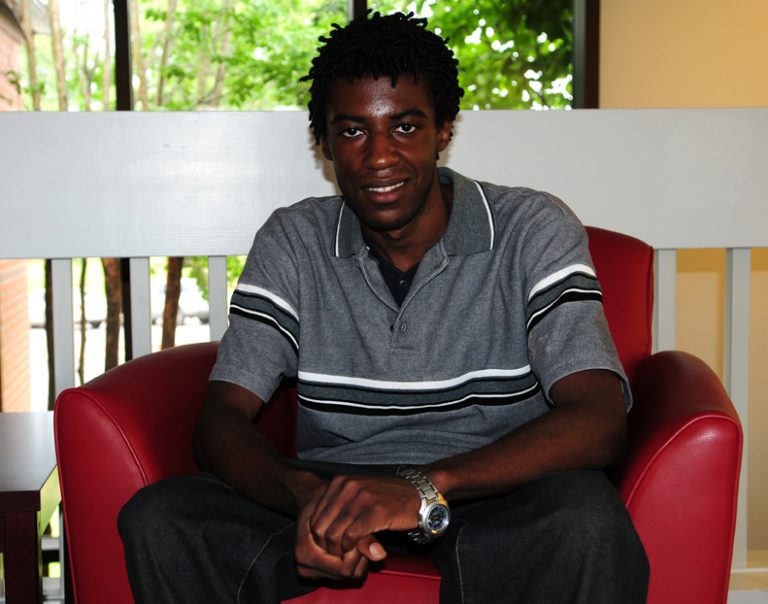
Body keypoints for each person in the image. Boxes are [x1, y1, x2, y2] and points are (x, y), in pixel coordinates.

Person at [119, 11, 649, 604]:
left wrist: (424, 489)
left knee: (582, 518)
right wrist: (309, 502)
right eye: (351, 131)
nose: (377, 157)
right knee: (162, 517)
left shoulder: (533, 228)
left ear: (444, 129)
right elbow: (220, 420)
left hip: (493, 489)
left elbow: (599, 419)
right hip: (336, 488)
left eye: (404, 127)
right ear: (323, 143)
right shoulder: (294, 241)